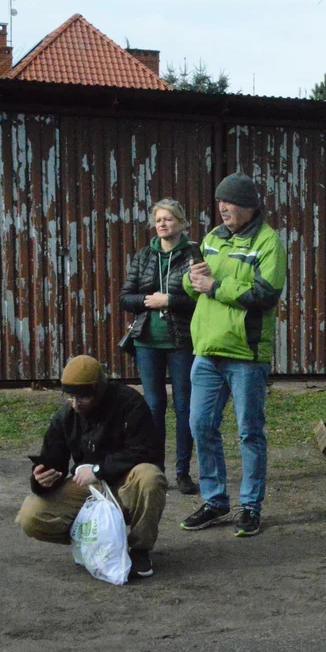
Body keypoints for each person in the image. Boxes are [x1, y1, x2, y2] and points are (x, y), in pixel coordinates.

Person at [179, 172, 287, 537]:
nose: (223, 208)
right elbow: (193, 289)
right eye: (220, 203)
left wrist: (216, 286)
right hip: (207, 350)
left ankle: (251, 507)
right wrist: (191, 279)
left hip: (246, 354)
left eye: (230, 203)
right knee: (201, 426)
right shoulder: (212, 238)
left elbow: (266, 293)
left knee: (249, 432)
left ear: (249, 206)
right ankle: (214, 500)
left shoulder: (269, 242)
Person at [16, 355, 166, 579]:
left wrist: (97, 471)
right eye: (70, 396)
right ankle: (95, 542)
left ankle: (140, 550)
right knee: (30, 516)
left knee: (151, 477)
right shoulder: (65, 417)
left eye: (82, 397)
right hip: (89, 489)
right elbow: (53, 463)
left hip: (126, 482)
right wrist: (41, 480)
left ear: (98, 390)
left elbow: (146, 451)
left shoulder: (129, 402)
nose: (75, 404)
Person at [119, 198, 199, 495]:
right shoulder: (143, 256)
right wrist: (146, 300)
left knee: (184, 407)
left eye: (169, 219)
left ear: (182, 223)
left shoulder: (194, 254)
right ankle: (157, 472)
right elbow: (124, 297)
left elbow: (202, 297)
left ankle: (183, 472)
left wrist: (171, 301)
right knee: (153, 407)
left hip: (181, 341)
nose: (163, 224)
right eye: (159, 219)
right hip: (147, 342)